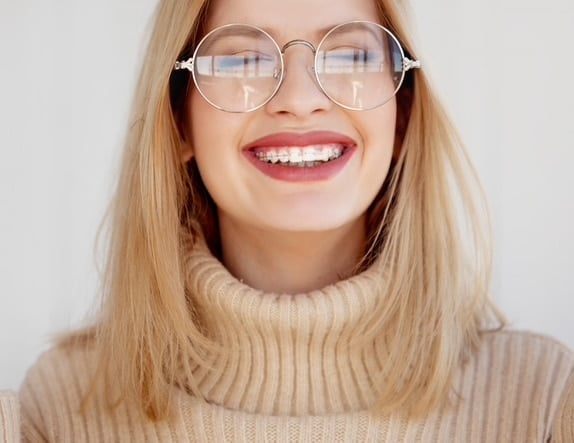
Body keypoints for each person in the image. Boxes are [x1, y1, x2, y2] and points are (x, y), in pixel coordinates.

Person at [16, 0, 574, 441]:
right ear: (178, 119)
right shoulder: (59, 409)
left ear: (401, 112)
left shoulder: (543, 402)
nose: (301, 99)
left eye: (350, 56)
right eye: (241, 60)